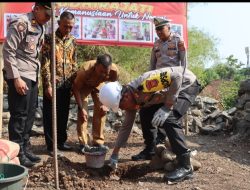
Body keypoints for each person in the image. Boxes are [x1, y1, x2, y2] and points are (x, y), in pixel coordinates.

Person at [99, 66, 201, 183]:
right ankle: (151, 150)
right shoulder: (131, 98)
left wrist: (168, 106)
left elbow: (177, 77)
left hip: (186, 84)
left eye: (121, 107)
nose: (123, 109)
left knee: (169, 119)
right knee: (145, 113)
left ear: (125, 97)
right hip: (169, 91)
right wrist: (115, 153)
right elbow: (126, 127)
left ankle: (185, 165)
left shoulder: (146, 84)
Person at [131, 17, 188, 162]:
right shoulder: (156, 44)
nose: (158, 32)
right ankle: (149, 148)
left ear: (169, 28)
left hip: (173, 83)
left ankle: (173, 151)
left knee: (168, 117)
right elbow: (152, 66)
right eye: (156, 29)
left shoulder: (178, 41)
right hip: (157, 83)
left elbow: (184, 66)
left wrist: (177, 89)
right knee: (145, 112)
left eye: (161, 29)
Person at [2, 2, 51, 167]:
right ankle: (17, 152)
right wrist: (16, 78)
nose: (48, 19)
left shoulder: (40, 25)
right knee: (19, 116)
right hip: (20, 75)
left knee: (29, 114)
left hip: (32, 75)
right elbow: (8, 51)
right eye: (47, 14)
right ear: (37, 9)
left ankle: (25, 147)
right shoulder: (21, 23)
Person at [41, 11, 78, 156]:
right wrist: (47, 85)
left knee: (63, 115)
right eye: (65, 26)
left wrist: (74, 83)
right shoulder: (49, 39)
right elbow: (44, 63)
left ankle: (61, 142)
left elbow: (75, 63)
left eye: (71, 27)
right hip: (53, 84)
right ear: (59, 23)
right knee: (50, 115)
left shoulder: (73, 40)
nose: (68, 29)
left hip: (66, 84)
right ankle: (51, 146)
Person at [72, 54, 119, 153]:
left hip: (100, 85)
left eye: (106, 72)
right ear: (96, 65)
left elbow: (113, 87)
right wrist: (81, 108)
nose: (103, 74)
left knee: (102, 110)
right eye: (101, 71)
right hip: (84, 86)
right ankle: (83, 144)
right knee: (83, 114)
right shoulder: (84, 71)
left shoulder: (114, 71)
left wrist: (106, 104)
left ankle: (98, 141)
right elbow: (75, 88)